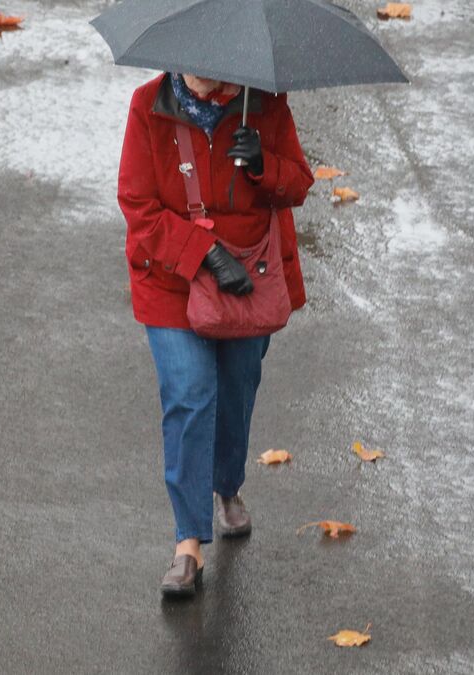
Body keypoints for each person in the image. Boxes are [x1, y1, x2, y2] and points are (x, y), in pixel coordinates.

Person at [117, 73, 313, 597]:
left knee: (236, 390)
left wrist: (263, 167)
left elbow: (299, 183)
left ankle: (227, 486)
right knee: (189, 393)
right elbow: (138, 207)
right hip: (171, 280)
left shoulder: (265, 103)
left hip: (249, 279)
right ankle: (188, 544)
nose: (204, 70)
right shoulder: (147, 105)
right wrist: (203, 253)